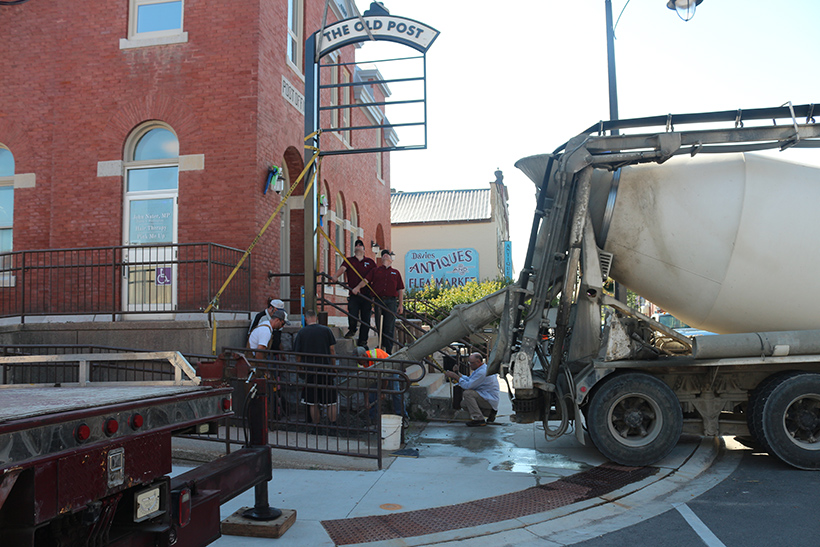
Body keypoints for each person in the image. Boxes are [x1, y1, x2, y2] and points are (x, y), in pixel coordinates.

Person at [351, 249, 404, 353]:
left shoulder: (396, 273)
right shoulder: (375, 271)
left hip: (391, 301)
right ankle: (381, 346)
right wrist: (357, 288)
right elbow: (366, 280)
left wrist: (400, 305)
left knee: (389, 326)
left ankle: (388, 350)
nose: (385, 256)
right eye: (383, 255)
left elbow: (400, 289)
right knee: (379, 325)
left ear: (391, 259)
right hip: (378, 301)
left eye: (387, 255)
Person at [293, 309, 338, 428]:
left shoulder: (302, 333)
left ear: (306, 318)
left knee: (312, 402)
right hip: (325, 369)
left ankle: (316, 427)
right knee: (330, 402)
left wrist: (299, 368)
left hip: (310, 371)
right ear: (316, 318)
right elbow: (332, 350)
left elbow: (298, 355)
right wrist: (333, 366)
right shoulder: (326, 330)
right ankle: (332, 425)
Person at [331, 239, 376, 346]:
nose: (358, 246)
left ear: (364, 250)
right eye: (356, 245)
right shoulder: (349, 260)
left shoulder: (370, 262)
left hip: (366, 295)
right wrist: (335, 276)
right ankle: (352, 329)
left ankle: (363, 341)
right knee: (352, 313)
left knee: (366, 319)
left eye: (360, 245)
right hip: (353, 294)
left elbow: (376, 275)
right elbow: (342, 268)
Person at [444, 352, 499, 427]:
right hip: (486, 397)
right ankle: (489, 413)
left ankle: (479, 419)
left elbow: (468, 386)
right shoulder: (481, 369)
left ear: (478, 362)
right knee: (464, 404)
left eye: (471, 363)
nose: (469, 365)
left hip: (489, 399)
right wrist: (458, 374)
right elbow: (470, 379)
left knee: (468, 393)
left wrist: (456, 377)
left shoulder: (482, 372)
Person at [356, 346, 408, 422]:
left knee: (395, 392)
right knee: (372, 394)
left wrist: (383, 391)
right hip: (375, 373)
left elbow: (385, 377)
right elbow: (365, 383)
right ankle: (374, 419)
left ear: (364, 356)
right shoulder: (360, 364)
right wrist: (366, 401)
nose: (357, 362)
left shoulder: (377, 356)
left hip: (391, 369)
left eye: (358, 360)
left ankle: (403, 417)